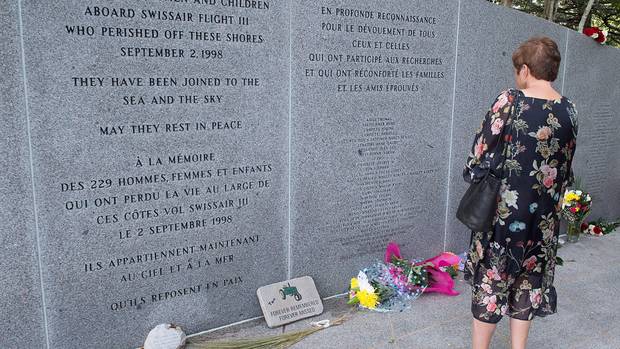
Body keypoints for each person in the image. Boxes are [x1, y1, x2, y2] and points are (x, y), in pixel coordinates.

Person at [462, 36, 578, 349]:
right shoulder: (569, 110)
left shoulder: (510, 100)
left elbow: (480, 152)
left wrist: (473, 174)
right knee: (529, 281)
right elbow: (565, 166)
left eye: (517, 70)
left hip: (502, 215)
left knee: (492, 281)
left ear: (525, 69)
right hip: (542, 220)